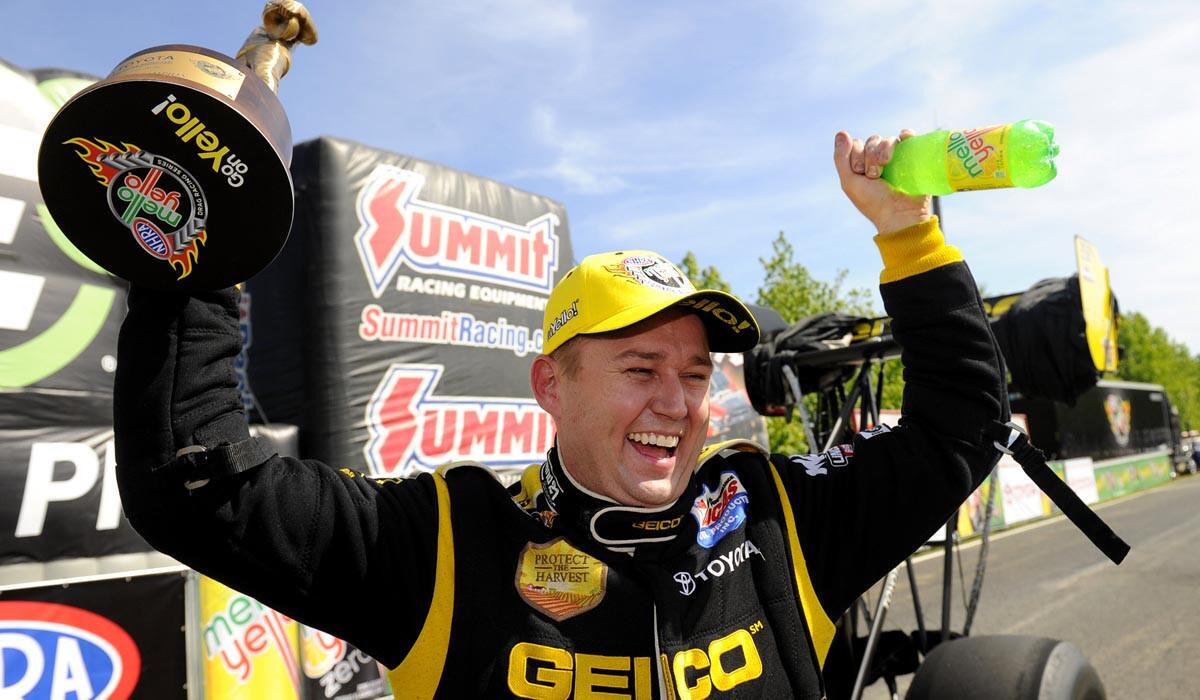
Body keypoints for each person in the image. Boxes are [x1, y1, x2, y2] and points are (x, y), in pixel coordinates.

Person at [114, 130, 1005, 698]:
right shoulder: (451, 544)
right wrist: (204, 239)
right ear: (551, 386)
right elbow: (194, 488)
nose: (676, 402)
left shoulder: (777, 515)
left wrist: (908, 235)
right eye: (640, 367)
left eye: (695, 374)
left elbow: (959, 429)